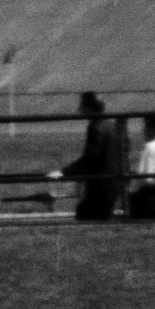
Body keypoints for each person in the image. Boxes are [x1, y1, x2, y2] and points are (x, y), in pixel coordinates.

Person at [53, 93, 128, 223]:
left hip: (102, 187)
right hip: (115, 185)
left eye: (82, 105)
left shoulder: (95, 127)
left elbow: (90, 159)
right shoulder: (111, 124)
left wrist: (64, 171)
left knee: (84, 213)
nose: (79, 109)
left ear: (90, 108)